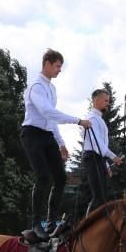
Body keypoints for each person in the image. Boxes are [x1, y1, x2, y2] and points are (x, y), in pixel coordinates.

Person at [21, 48, 92, 241]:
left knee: (60, 177)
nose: (59, 70)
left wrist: (61, 143)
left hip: (47, 135)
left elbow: (51, 120)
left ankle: (51, 221)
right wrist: (78, 120)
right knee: (43, 177)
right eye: (57, 66)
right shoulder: (36, 86)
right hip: (32, 135)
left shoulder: (52, 88)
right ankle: (36, 223)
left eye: (60, 67)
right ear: (47, 64)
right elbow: (47, 112)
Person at [82, 88, 123, 214]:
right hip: (92, 158)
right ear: (96, 100)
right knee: (98, 196)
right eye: (105, 100)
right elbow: (96, 144)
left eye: (108, 101)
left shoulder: (98, 118)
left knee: (101, 196)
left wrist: (105, 165)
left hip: (97, 159)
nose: (108, 103)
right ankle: (87, 228)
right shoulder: (93, 119)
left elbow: (99, 146)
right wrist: (113, 157)